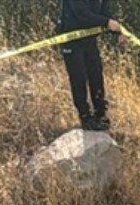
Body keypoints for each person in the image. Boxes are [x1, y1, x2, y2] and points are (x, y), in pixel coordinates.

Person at [58, 1, 124, 132]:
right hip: (71, 39)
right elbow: (83, 15)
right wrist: (106, 22)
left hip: (89, 39)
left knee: (96, 74)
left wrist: (119, 31)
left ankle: (100, 114)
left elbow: (105, 13)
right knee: (79, 78)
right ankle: (85, 117)